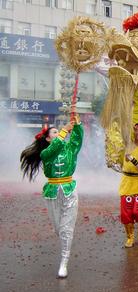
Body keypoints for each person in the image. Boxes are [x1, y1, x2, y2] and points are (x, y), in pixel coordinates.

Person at [20, 115, 83, 278]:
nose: (58, 134)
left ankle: (64, 262)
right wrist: (64, 131)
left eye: (58, 132)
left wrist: (77, 124)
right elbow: (55, 147)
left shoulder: (70, 149)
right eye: (54, 132)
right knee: (58, 228)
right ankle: (64, 250)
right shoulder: (45, 153)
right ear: (48, 138)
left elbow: (77, 140)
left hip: (70, 190)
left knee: (66, 229)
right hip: (52, 192)